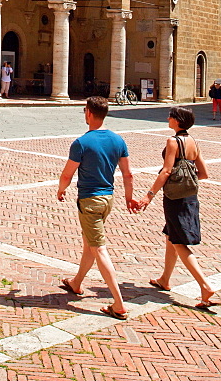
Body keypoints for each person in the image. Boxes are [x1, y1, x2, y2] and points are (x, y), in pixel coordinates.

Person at [57, 96, 135, 321]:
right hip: (107, 199)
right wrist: (129, 199)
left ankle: (119, 304)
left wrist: (61, 189)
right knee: (89, 243)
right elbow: (128, 174)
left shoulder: (81, 143)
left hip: (89, 201)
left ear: (89, 113)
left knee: (99, 248)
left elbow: (67, 174)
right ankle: (76, 282)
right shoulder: (118, 140)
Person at [134, 106, 217, 310]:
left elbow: (166, 171)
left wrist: (149, 195)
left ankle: (205, 286)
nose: (168, 118)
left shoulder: (173, 141)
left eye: (171, 116)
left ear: (178, 121)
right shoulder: (193, 142)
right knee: (171, 235)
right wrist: (187, 179)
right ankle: (165, 279)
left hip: (174, 197)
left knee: (179, 242)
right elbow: (204, 173)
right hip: (190, 196)